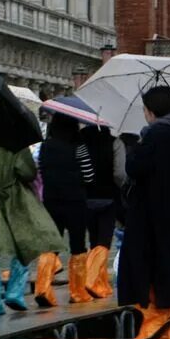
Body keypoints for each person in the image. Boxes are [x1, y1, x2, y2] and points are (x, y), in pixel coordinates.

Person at [117, 85, 170, 339]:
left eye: (145, 110)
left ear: (153, 110)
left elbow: (135, 168)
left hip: (152, 214)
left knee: (148, 265)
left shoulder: (156, 135)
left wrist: (139, 144)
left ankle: (156, 320)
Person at [0, 140, 68, 316]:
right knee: (24, 243)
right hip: (13, 199)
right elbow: (27, 172)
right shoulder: (16, 143)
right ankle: (15, 292)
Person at [35, 112, 88, 305]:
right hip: (75, 200)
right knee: (77, 245)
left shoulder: (45, 147)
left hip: (51, 200)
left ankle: (42, 287)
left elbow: (40, 170)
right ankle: (77, 292)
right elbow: (88, 174)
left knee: (51, 245)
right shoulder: (78, 146)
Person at [73, 124, 119, 300]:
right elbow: (120, 172)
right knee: (104, 241)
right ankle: (94, 281)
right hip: (108, 197)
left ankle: (98, 282)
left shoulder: (79, 142)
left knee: (93, 240)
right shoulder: (114, 142)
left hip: (86, 198)